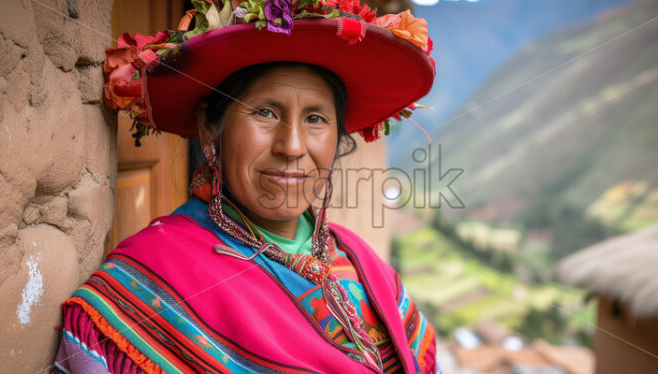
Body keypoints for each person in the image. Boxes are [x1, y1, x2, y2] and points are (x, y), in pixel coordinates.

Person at [52, 0, 438, 373]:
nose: (291, 146)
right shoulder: (144, 284)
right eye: (265, 112)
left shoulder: (366, 270)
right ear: (209, 126)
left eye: (316, 118)